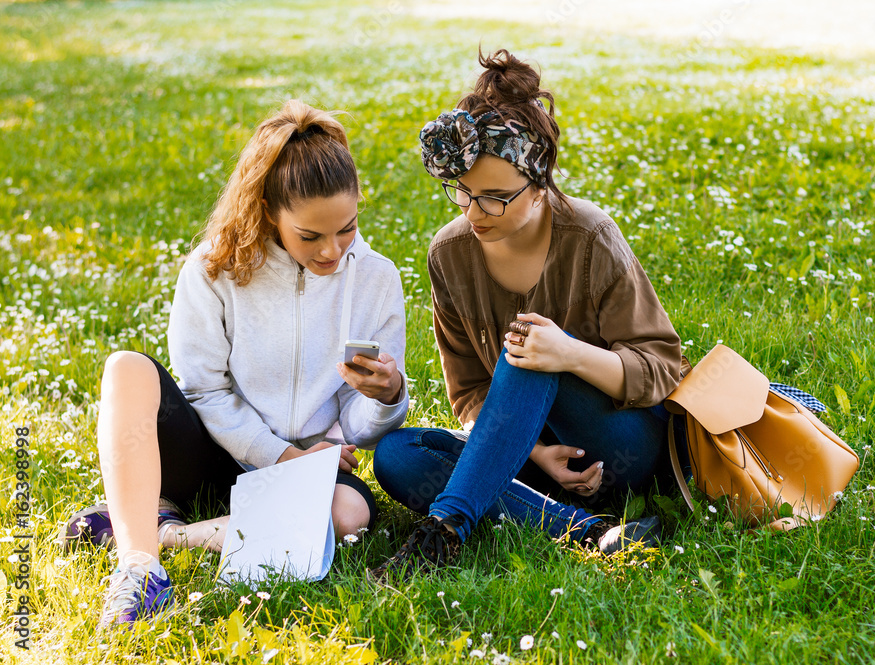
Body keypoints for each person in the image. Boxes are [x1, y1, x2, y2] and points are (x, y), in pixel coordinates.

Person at [58, 100, 409, 626]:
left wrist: (386, 396)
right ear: (269, 211)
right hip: (215, 454)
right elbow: (204, 392)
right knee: (125, 367)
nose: (333, 251)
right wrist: (279, 455)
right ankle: (140, 568)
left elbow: (357, 421)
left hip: (310, 469)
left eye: (347, 228)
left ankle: (165, 532)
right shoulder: (213, 269)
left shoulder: (375, 280)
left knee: (350, 516)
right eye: (310, 236)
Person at [370, 49, 690, 581]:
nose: (474, 212)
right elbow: (470, 396)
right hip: (528, 458)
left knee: (527, 349)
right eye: (464, 193)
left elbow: (661, 369)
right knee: (399, 455)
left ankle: (445, 529)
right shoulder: (448, 253)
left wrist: (569, 354)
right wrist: (537, 453)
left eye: (495, 197)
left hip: (624, 443)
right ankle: (589, 531)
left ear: (539, 186)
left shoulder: (590, 236)